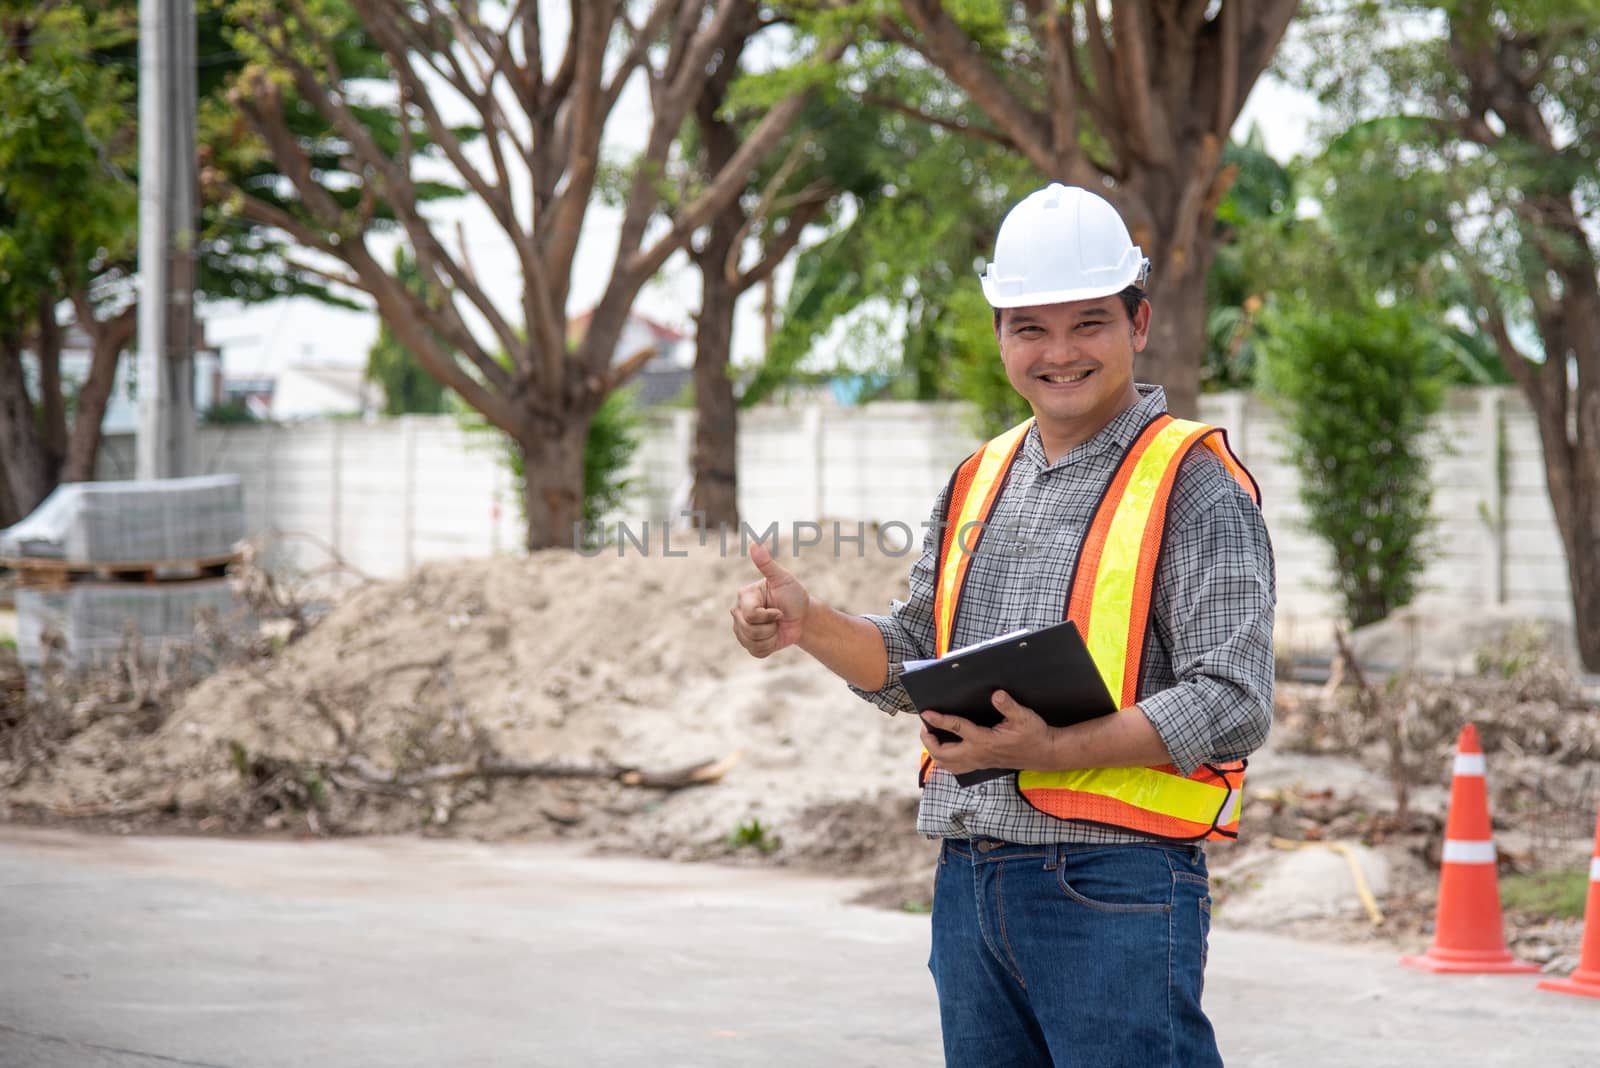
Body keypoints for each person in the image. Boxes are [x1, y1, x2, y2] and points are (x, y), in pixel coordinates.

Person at [729, 183, 1275, 1067]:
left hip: (1115, 885)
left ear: (1138, 324)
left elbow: (1235, 699)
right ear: (999, 336)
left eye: (1087, 322)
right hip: (970, 876)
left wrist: (1051, 751)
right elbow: (913, 655)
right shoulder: (978, 478)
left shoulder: (1195, 482)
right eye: (1030, 327)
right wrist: (810, 624)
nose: (1058, 352)